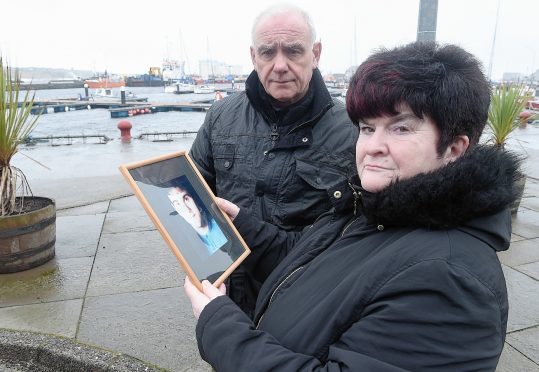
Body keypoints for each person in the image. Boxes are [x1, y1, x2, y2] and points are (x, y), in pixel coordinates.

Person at [184, 41, 522, 371]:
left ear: (454, 148)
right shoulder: (373, 209)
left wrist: (221, 327)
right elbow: (310, 261)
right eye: (367, 128)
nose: (372, 146)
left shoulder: (449, 281)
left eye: (400, 128)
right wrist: (241, 223)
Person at [189, 4, 357, 316]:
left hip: (303, 302)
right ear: (254, 57)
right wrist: (203, 267)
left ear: (316, 53)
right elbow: (189, 191)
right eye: (268, 53)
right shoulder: (220, 116)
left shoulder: (352, 132)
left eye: (293, 51)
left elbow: (350, 236)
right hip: (228, 297)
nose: (280, 65)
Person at [167, 178, 227, 256]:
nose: (187, 209)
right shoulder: (187, 247)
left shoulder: (224, 225)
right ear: (175, 208)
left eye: (186, 199)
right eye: (177, 204)